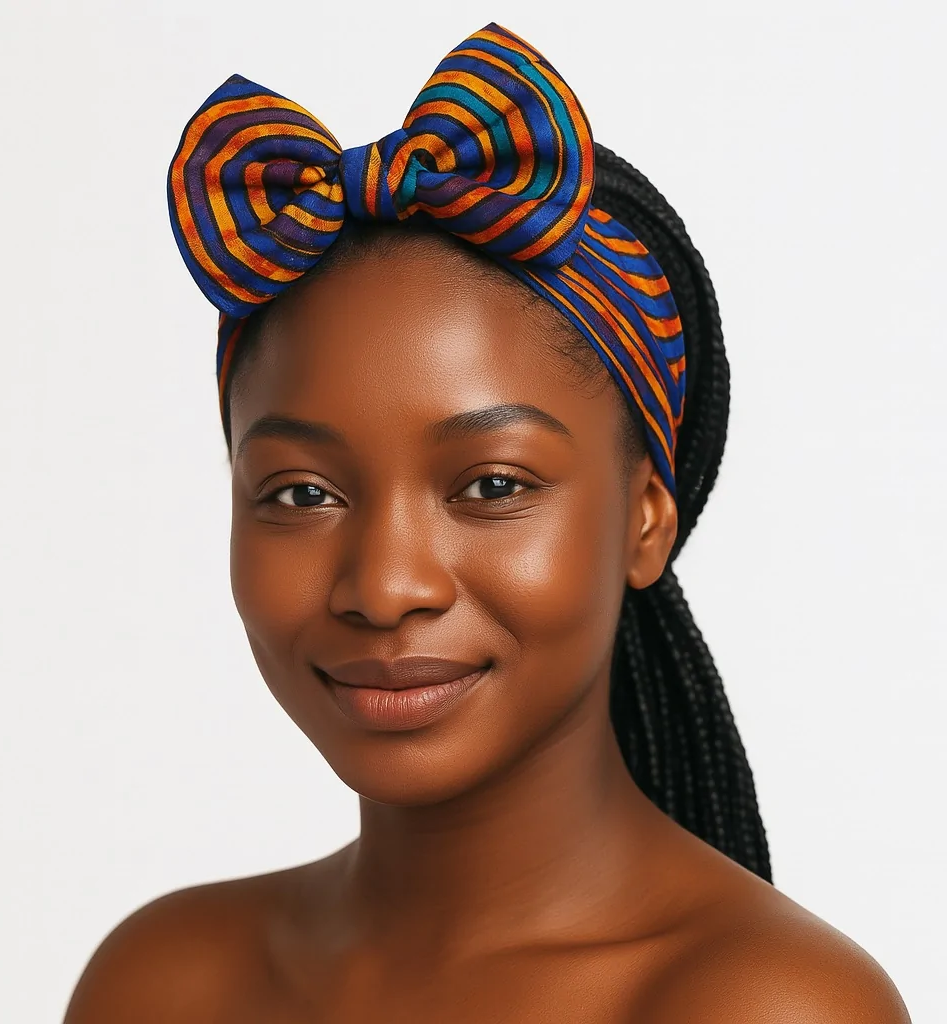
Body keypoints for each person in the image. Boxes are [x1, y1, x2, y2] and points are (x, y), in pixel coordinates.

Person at [64, 23, 910, 1023]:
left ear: (645, 519)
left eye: (492, 486)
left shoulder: (762, 1004)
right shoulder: (163, 984)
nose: (384, 587)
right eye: (301, 493)